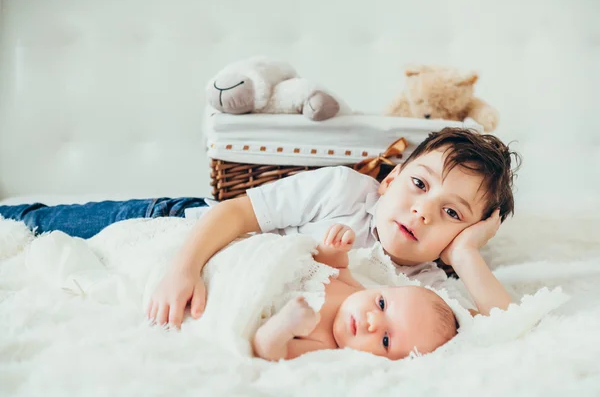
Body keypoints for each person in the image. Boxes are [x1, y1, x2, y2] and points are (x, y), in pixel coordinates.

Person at [0, 127, 519, 328]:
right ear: (389, 181)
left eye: (453, 214)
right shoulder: (344, 191)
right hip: (183, 224)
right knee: (36, 224)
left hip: (230, 270)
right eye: (420, 185)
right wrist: (184, 268)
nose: (424, 212)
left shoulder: (422, 287)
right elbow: (236, 213)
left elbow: (506, 326)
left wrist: (468, 256)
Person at [253, 223, 458, 361]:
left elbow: (268, 350)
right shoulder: (354, 290)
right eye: (382, 304)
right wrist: (336, 247)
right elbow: (332, 266)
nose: (372, 322)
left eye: (385, 340)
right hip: (261, 259)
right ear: (382, 289)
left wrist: (283, 326)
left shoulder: (324, 343)